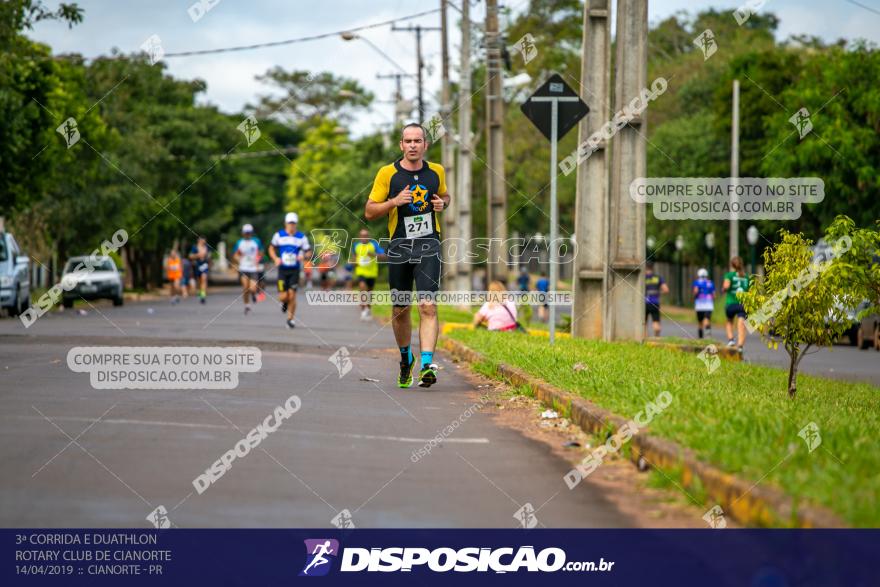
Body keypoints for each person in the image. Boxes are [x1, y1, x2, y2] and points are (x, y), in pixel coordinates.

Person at [365, 122, 450, 388]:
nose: (413, 145)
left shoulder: (436, 171)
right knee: (400, 308)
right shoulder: (387, 173)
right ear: (401, 145)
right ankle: (406, 359)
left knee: (428, 305)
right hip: (399, 246)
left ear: (425, 145)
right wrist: (393, 202)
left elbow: (445, 196)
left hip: (428, 245)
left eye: (418, 141)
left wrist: (442, 203)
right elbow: (369, 211)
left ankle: (426, 364)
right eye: (408, 141)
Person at [269, 212, 310, 329]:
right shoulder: (279, 235)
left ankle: (290, 320)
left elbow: (308, 251)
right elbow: (271, 248)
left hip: (294, 270)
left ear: (296, 224)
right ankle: (284, 302)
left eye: (293, 223)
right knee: (283, 296)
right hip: (282, 270)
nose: (291, 226)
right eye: (289, 223)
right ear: (285, 223)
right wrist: (275, 258)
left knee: (292, 295)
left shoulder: (301, 237)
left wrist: (304, 256)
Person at [352, 228, 385, 321]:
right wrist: (354, 264)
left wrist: (374, 255)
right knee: (362, 288)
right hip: (361, 271)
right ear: (359, 237)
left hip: (372, 272)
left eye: (366, 236)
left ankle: (368, 309)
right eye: (362, 236)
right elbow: (354, 258)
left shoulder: (374, 245)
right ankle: (363, 311)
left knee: (369, 292)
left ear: (369, 237)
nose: (364, 237)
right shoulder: (356, 246)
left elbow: (383, 256)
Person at [233, 224, 263, 315]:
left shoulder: (256, 241)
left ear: (251, 233)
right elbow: (235, 254)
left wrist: (257, 260)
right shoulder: (239, 242)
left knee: (253, 288)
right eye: (246, 233)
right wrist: (238, 259)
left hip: (253, 268)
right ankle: (247, 305)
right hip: (243, 267)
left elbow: (261, 252)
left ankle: (254, 294)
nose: (247, 234)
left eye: (249, 233)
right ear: (243, 233)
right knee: (245, 287)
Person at [723, 256, 750, 353]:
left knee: (729, 321)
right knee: (741, 324)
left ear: (732, 265)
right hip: (742, 304)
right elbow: (750, 292)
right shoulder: (747, 277)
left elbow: (726, 286)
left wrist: (724, 290)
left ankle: (731, 340)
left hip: (731, 303)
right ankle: (740, 346)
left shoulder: (729, 275)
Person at [644, 262, 669, 337]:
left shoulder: (643, 278)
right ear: (652, 268)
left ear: (645, 268)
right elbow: (666, 290)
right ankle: (656, 337)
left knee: (643, 323)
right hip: (655, 302)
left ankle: (644, 340)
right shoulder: (657, 278)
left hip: (644, 303)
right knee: (656, 322)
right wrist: (658, 293)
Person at [693, 268, 715, 339]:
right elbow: (714, 295)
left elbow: (695, 291)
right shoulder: (710, 283)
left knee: (700, 322)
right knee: (707, 319)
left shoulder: (697, 282)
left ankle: (700, 338)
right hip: (709, 305)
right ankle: (708, 334)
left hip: (699, 305)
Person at [189, 237, 210, 304]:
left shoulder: (206, 247)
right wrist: (198, 255)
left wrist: (208, 260)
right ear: (199, 241)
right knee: (199, 281)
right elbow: (190, 256)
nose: (203, 242)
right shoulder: (195, 247)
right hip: (197, 265)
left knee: (204, 278)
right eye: (202, 240)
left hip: (204, 265)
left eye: (204, 240)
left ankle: (203, 295)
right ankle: (200, 291)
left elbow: (209, 256)